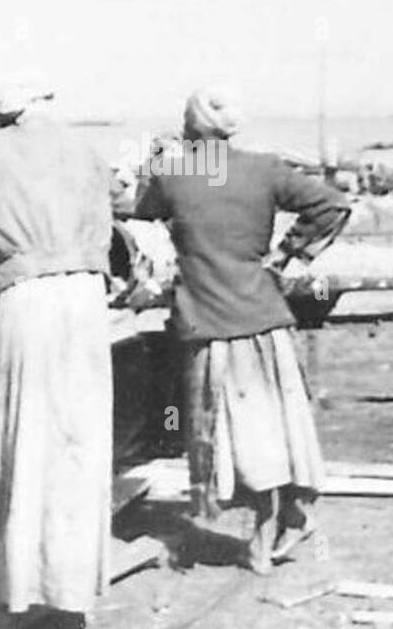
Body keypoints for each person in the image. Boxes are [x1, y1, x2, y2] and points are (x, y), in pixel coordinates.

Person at [134, 88, 351, 574]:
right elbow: (333, 205)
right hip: (266, 320)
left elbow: (138, 216)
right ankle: (292, 512)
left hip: (210, 326)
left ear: (190, 130)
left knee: (235, 438)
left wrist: (156, 163)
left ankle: (264, 532)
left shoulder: (173, 176)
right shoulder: (264, 168)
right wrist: (287, 254)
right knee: (275, 430)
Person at [0, 75, 114, 629]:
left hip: (26, 299)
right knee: (77, 441)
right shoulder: (83, 147)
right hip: (88, 300)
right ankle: (73, 599)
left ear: (2, 112)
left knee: (15, 439)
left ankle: (25, 587)